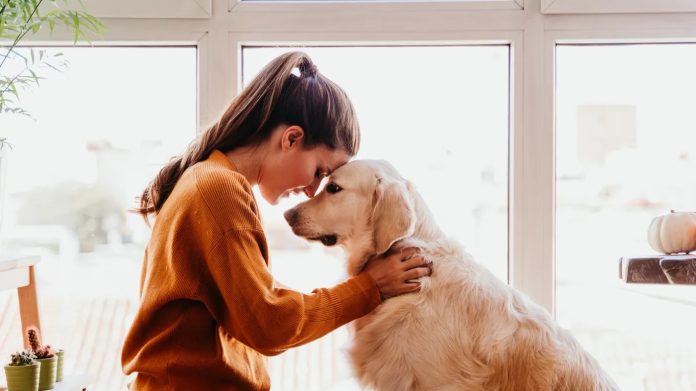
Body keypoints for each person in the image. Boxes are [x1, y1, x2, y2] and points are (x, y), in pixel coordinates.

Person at [120, 51, 431, 390]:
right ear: (292, 139)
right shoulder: (218, 189)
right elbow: (268, 323)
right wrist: (370, 286)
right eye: (319, 172)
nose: (313, 190)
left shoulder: (209, 179)